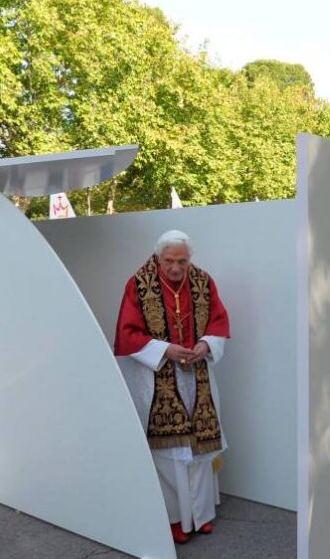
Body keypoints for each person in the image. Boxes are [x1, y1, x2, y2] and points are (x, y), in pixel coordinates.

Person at [113, 230, 231, 544]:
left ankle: (202, 514)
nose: (177, 268)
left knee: (199, 447)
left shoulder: (203, 281)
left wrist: (205, 345)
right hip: (160, 378)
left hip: (197, 375)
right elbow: (127, 333)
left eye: (182, 261)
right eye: (170, 262)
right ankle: (176, 518)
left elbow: (218, 320)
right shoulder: (139, 284)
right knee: (171, 455)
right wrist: (165, 349)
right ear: (158, 258)